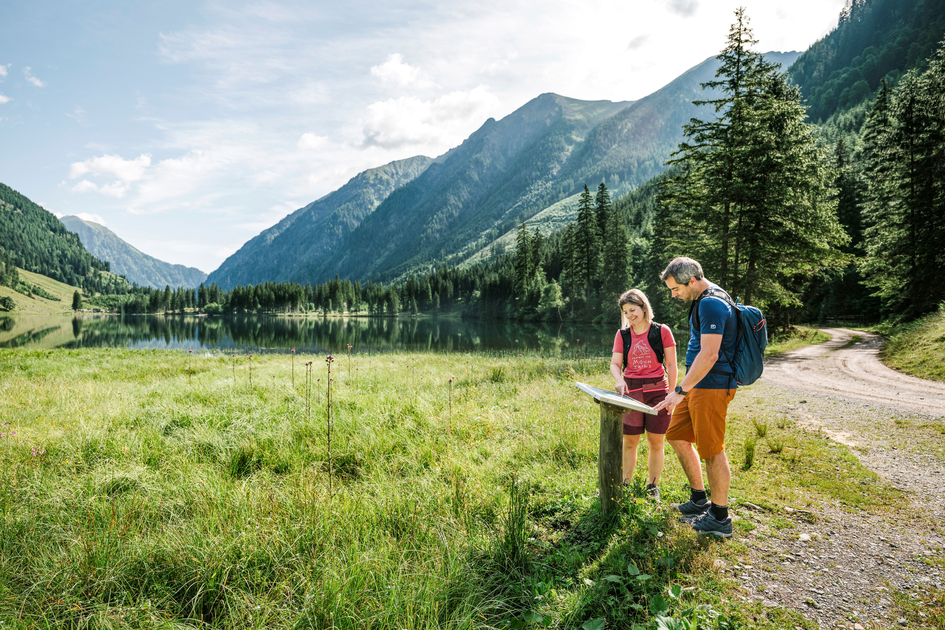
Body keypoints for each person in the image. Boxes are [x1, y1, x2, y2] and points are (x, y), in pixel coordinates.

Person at [653, 257, 739, 537]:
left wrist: (680, 390)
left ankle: (719, 517)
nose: (673, 294)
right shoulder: (705, 299)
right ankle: (699, 499)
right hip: (698, 384)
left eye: (675, 288)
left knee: (712, 449)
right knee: (676, 435)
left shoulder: (711, 303)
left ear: (692, 280)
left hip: (711, 385)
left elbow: (710, 354)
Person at [610, 289, 676, 501]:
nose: (629, 315)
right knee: (630, 441)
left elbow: (672, 365)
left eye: (633, 310)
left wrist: (672, 395)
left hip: (659, 393)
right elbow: (615, 364)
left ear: (643, 307)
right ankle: (626, 484)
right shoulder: (622, 335)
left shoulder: (661, 331)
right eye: (625, 312)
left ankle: (652, 486)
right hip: (631, 393)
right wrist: (619, 379)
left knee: (655, 442)